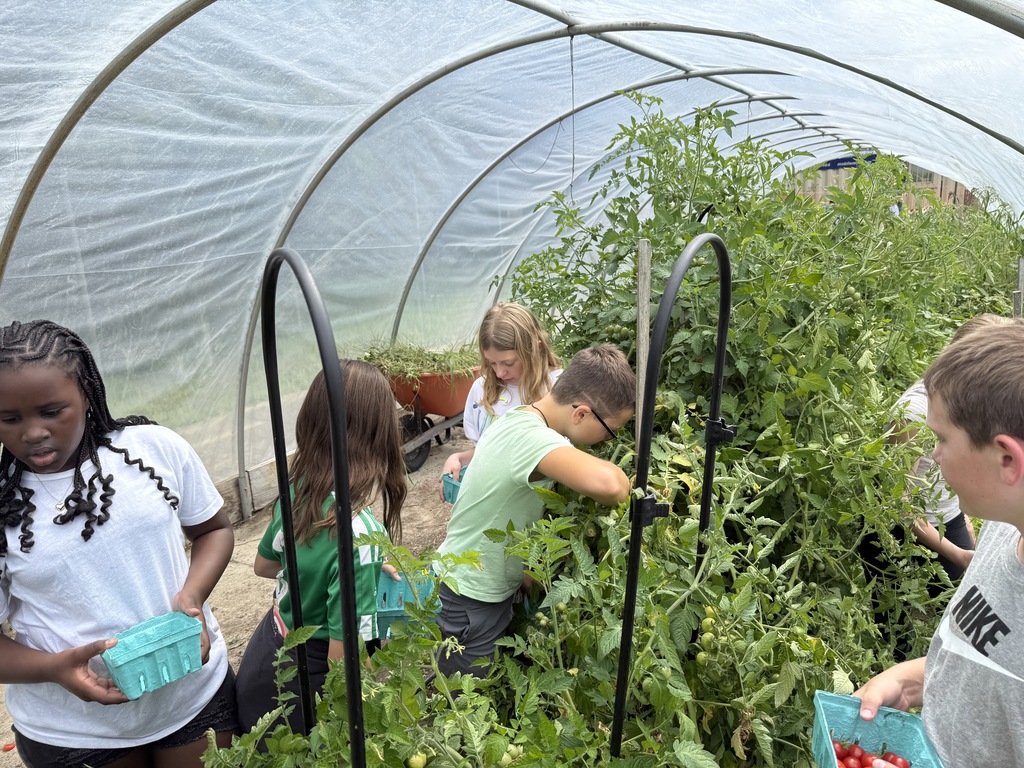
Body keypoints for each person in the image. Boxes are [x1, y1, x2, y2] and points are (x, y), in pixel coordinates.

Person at [0, 319, 238, 768]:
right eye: (9, 419)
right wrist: (53, 669)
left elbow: (214, 530)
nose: (32, 432)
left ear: (87, 393)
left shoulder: (153, 449)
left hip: (193, 695)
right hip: (75, 730)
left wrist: (192, 596)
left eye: (52, 411)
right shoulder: (4, 508)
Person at [854, 322, 1024, 768]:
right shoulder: (1004, 529)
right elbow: (987, 671)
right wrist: (909, 682)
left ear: (1007, 458)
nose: (936, 455)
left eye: (943, 440)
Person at [435, 343, 635, 677]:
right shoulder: (531, 438)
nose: (608, 441)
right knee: (465, 701)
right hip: (470, 595)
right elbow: (614, 486)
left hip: (483, 586)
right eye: (611, 430)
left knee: (487, 680)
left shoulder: (521, 418)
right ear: (581, 413)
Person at [235, 360, 406, 735]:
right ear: (379, 436)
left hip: (267, 658)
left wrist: (335, 576)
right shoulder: (360, 535)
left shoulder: (297, 490)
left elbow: (265, 565)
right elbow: (344, 670)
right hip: (303, 688)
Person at [889, 315, 1013, 582]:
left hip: (950, 515)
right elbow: (897, 503)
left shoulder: (972, 405)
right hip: (910, 529)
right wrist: (957, 553)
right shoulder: (915, 414)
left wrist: (967, 529)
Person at [440, 303, 561, 495]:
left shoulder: (557, 388)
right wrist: (460, 458)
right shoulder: (481, 390)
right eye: (492, 363)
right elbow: (486, 455)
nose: (500, 372)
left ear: (535, 348)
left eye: (508, 363)